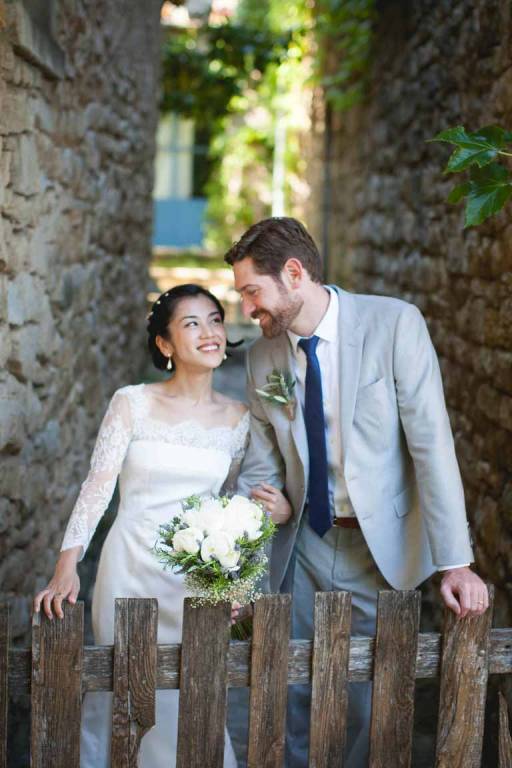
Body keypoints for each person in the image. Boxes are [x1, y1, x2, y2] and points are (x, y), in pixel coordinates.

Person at [225, 217, 489, 768]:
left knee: (373, 697)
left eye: (252, 291)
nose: (247, 309)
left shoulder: (394, 324)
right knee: (291, 685)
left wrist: (456, 563)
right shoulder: (262, 357)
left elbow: (432, 445)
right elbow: (260, 470)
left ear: (293, 273)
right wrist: (242, 568)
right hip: (302, 544)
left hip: (381, 547)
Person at [33, 283, 291, 768]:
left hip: (195, 579)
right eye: (192, 324)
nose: (209, 332)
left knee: (191, 696)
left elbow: (233, 507)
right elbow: (97, 487)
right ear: (165, 343)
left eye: (215, 320)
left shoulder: (239, 419)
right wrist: (67, 566)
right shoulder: (132, 402)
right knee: (124, 689)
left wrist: (275, 513)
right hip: (128, 568)